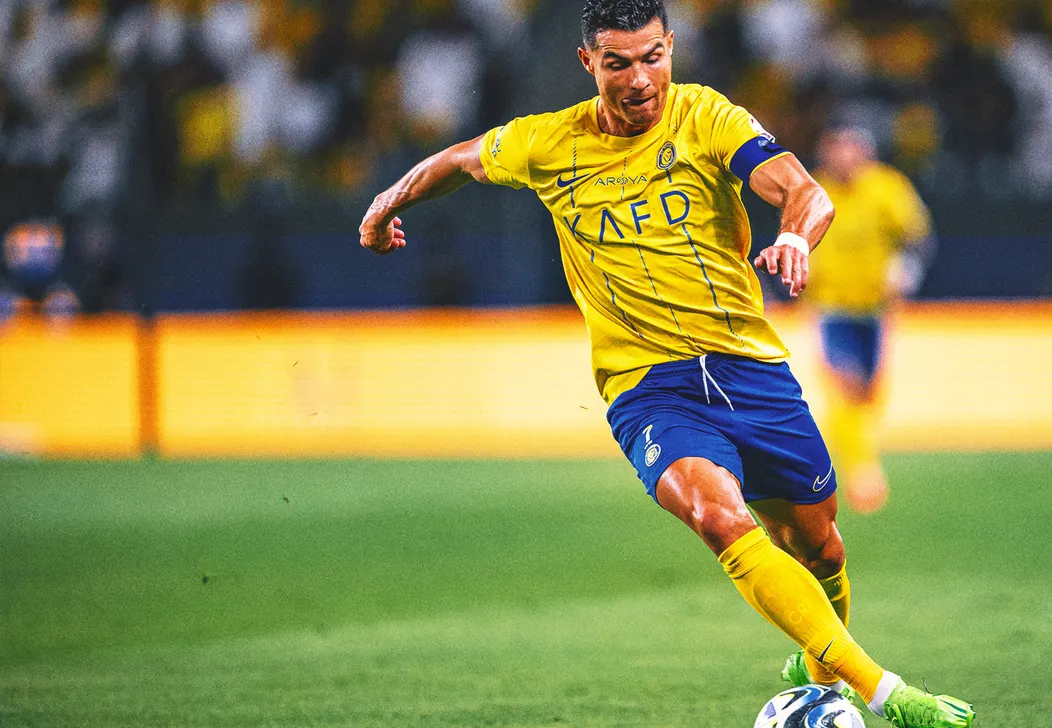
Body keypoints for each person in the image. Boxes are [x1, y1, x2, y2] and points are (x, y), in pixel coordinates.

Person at [357, 2, 973, 726]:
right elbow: (460, 160)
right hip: (649, 388)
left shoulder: (706, 117)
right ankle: (887, 693)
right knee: (718, 516)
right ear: (588, 63)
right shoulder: (547, 143)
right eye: (618, 63)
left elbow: (802, 191)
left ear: (671, 48)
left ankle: (819, 673)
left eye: (653, 57)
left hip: (747, 366)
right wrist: (386, 202)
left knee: (820, 544)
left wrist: (795, 237)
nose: (640, 79)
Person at [804, 126, 935, 514]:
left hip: (876, 307)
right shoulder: (814, 190)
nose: (844, 160)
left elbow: (918, 237)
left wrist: (906, 269)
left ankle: (854, 453)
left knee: (869, 394)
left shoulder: (887, 188)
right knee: (844, 382)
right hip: (831, 306)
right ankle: (861, 470)